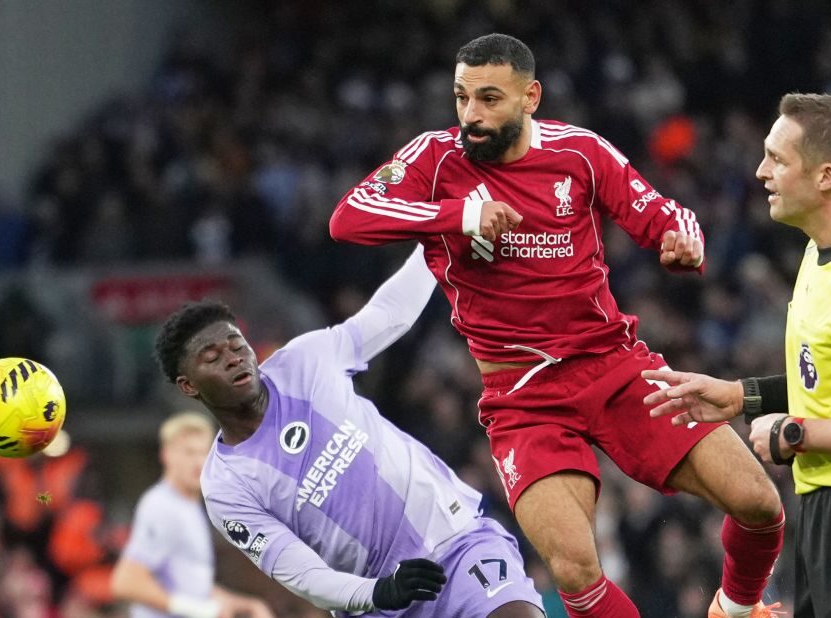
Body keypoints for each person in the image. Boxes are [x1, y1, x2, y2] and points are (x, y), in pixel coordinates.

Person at [329, 33, 784, 618]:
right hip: (523, 398)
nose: (471, 114)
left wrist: (682, 239)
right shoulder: (434, 160)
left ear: (531, 96)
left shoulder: (580, 153)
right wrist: (463, 215)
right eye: (462, 97)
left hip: (614, 366)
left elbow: (660, 211)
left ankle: (737, 610)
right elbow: (348, 218)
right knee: (574, 568)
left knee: (759, 504)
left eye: (490, 98)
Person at [643, 93, 831, 617]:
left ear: (826, 176)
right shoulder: (823, 246)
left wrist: (793, 434)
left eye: (777, 159)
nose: (761, 172)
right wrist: (740, 397)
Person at [153, 245, 545, 618]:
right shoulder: (225, 486)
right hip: (378, 600)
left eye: (236, 344)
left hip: (457, 542)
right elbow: (300, 572)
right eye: (212, 357)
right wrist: (377, 592)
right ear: (189, 385)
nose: (233, 358)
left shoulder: (305, 361)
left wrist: (438, 241)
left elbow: (390, 314)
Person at [111, 412, 275, 618]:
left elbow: (191, 588)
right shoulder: (162, 506)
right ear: (166, 455)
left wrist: (246, 605)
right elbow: (127, 581)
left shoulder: (189, 506)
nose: (199, 462)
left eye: (203, 453)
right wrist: (201, 610)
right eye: (189, 452)